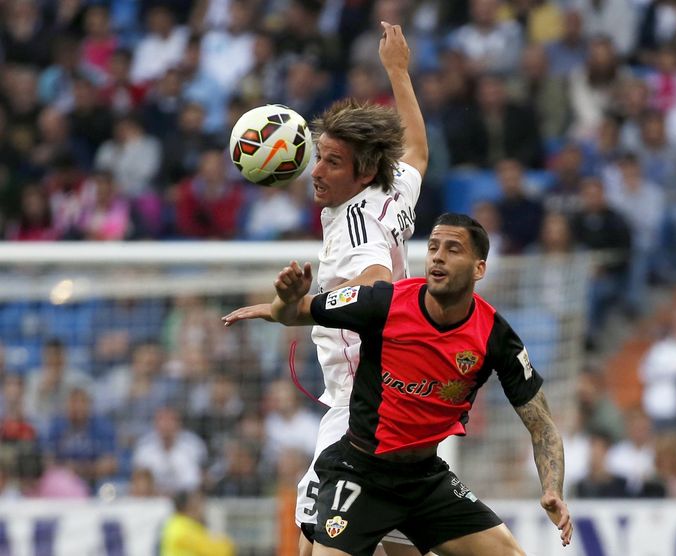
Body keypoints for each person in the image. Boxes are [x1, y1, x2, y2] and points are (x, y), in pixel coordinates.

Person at [222, 21, 428, 556]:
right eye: (319, 156)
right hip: (396, 401)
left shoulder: (358, 227)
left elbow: (376, 289)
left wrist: (297, 308)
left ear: (361, 173)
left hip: (360, 406)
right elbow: (419, 154)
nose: (316, 172)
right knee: (391, 543)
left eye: (332, 163)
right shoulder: (390, 190)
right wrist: (398, 71)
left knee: (316, 545)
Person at [268, 213, 572, 554]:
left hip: (425, 480)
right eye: (433, 247)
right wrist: (286, 299)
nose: (438, 256)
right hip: (361, 473)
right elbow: (294, 313)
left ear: (479, 269)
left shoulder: (495, 336)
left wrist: (552, 489)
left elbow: (542, 426)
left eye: (453, 249)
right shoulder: (382, 302)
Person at [160, 489, 235, 556]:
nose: (201, 509)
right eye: (198, 504)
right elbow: (221, 552)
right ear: (190, 507)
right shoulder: (185, 530)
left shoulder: (174, 524)